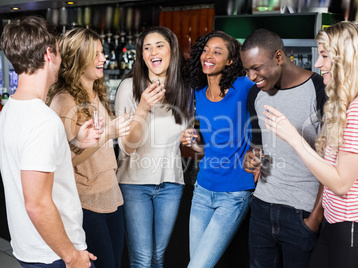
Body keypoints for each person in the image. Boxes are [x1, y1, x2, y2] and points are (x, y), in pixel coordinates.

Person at [263, 21, 358, 268]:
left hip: (353, 231)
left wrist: (293, 137)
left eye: (325, 56)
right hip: (343, 226)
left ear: (345, 57)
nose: (318, 64)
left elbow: (340, 183)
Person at [0, 16, 99, 267]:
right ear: (48, 54)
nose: (60, 60)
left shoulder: (10, 110)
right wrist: (72, 256)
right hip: (54, 253)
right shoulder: (43, 119)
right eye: (57, 51)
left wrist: (76, 142)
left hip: (30, 248)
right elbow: (37, 203)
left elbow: (38, 164)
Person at [240, 29, 326, 268]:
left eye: (256, 67)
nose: (251, 76)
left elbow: (332, 159)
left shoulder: (320, 90)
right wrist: (251, 158)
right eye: (247, 69)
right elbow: (258, 146)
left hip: (302, 213)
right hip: (261, 207)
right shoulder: (256, 94)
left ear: (279, 57)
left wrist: (315, 219)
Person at [47, 27, 131, 268]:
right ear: (77, 59)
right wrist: (108, 134)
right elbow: (64, 160)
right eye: (95, 54)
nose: (103, 58)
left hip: (111, 196)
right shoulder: (63, 101)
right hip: (85, 203)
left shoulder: (95, 92)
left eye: (102, 52)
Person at [115, 26, 191, 268]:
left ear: (172, 52)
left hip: (171, 183)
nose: (153, 51)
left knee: (158, 256)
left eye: (160, 46)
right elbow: (127, 147)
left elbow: (184, 138)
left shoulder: (184, 90)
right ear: (142, 55)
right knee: (142, 259)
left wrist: (193, 139)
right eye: (147, 47)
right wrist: (143, 107)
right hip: (134, 184)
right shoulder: (129, 88)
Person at [181, 30, 255, 268]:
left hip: (234, 193)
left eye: (217, 51)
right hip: (202, 190)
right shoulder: (199, 95)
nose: (208, 55)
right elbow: (206, 150)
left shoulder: (244, 87)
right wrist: (194, 143)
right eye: (205, 50)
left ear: (231, 61)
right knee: (198, 262)